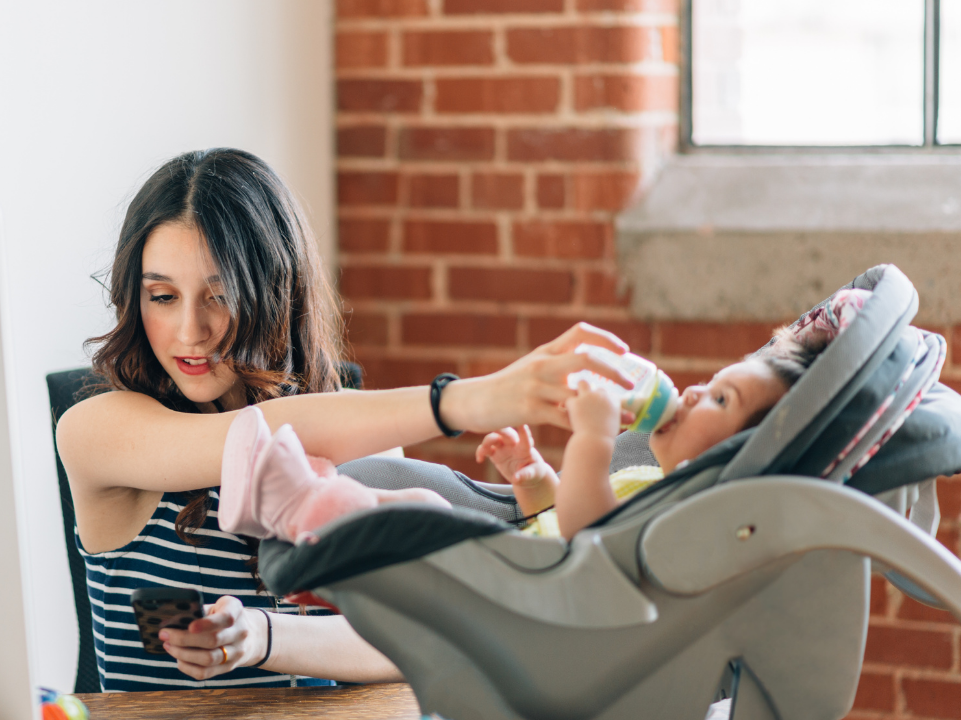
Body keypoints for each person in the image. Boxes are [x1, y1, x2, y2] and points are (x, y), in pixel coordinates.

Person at [55, 147, 635, 691]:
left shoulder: (354, 437)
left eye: (220, 294)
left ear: (276, 291)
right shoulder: (95, 431)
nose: (191, 331)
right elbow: (252, 441)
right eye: (162, 297)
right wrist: (466, 401)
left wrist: (260, 637)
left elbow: (405, 638)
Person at [218, 329, 828, 545]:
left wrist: (593, 436)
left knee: (424, 514)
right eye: (711, 382)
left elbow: (589, 533)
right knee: (415, 502)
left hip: (528, 603)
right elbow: (560, 518)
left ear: (746, 457)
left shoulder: (684, 519)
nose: (694, 392)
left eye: (720, 400)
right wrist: (534, 481)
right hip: (530, 569)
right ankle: (305, 495)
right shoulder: (651, 477)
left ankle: (296, 502)